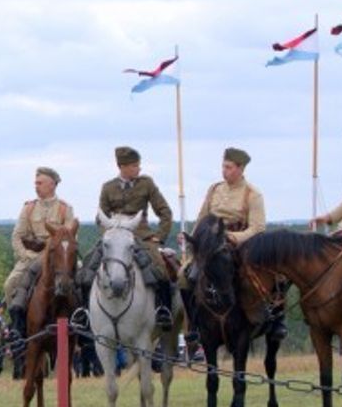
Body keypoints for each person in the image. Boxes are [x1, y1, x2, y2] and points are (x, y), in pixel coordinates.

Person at [186, 148, 283, 341]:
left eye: (229, 167)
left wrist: (234, 237)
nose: (224, 171)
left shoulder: (252, 194)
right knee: (185, 275)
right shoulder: (214, 189)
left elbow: (257, 228)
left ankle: (274, 320)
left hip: (239, 244)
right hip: (209, 244)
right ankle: (194, 323)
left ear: (240, 168)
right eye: (223, 166)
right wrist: (193, 239)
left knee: (272, 276)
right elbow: (202, 218)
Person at [95, 145, 176, 329]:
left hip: (141, 235)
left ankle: (164, 310)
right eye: (133, 166)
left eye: (138, 165)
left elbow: (165, 212)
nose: (138, 169)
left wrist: (160, 237)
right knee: (88, 269)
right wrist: (108, 237)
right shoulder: (107, 188)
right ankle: (84, 313)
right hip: (114, 236)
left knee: (160, 268)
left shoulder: (146, 184)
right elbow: (100, 218)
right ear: (122, 166)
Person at [4, 166, 76, 338]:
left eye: (40, 183)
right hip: (32, 257)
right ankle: (17, 325)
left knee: (82, 279)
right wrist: (27, 256)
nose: (36, 186)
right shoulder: (28, 208)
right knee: (10, 284)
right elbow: (17, 237)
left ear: (52, 184)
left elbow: (71, 237)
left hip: (59, 259)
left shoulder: (65, 208)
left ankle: (82, 321)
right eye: (35, 183)